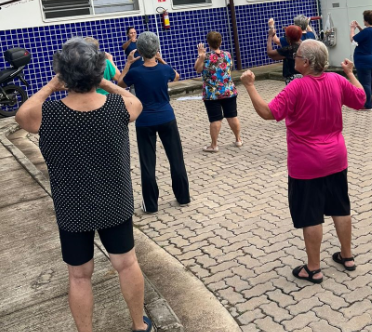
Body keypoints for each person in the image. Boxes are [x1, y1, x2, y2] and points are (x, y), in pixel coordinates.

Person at [15, 38, 151, 332]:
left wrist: (52, 86)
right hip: (115, 202)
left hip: (72, 206)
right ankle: (140, 326)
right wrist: (106, 82)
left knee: (79, 276)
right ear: (98, 71)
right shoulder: (118, 106)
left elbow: (21, 115)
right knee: (127, 264)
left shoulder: (48, 115)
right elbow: (137, 103)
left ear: (62, 72)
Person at [241, 39, 366, 283]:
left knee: (311, 215)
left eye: (297, 56)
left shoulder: (296, 88)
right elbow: (361, 98)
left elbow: (268, 113)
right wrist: (350, 74)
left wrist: (250, 87)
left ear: (306, 62)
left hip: (307, 164)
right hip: (336, 158)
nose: (294, 58)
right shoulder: (337, 80)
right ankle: (347, 256)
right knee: (340, 207)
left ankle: (313, 268)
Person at [118, 31, 190, 214]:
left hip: (145, 121)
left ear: (139, 51)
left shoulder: (135, 72)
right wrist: (161, 59)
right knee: (176, 158)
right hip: (167, 117)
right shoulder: (164, 69)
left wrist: (127, 64)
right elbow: (176, 76)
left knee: (148, 163)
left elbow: (119, 84)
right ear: (156, 49)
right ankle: (183, 197)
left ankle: (151, 205)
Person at [194, 31, 242, 152]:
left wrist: (201, 56)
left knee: (215, 119)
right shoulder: (227, 55)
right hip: (228, 90)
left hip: (211, 93)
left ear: (208, 43)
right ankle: (238, 139)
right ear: (220, 42)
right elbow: (229, 68)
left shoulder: (206, 57)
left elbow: (197, 69)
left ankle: (214, 145)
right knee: (232, 115)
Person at [350, 10, 372, 109]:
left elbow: (353, 40)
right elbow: (366, 35)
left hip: (364, 60)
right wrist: (359, 27)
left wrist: (352, 29)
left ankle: (367, 104)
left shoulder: (367, 31)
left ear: (366, 21)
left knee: (365, 83)